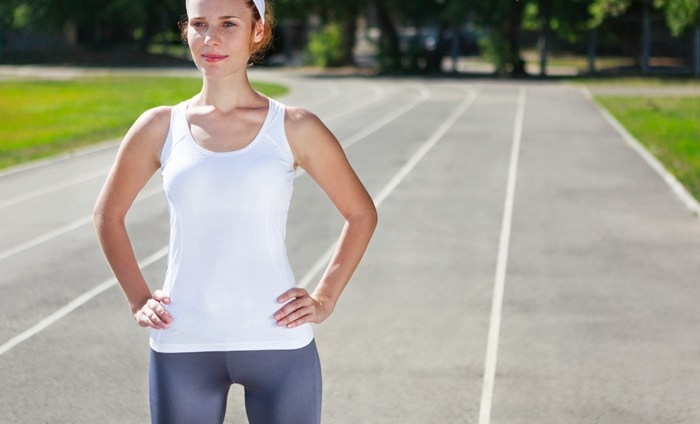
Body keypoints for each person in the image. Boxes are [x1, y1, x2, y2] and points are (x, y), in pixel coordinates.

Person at [93, 0, 377, 422]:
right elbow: (107, 215)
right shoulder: (159, 126)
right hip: (183, 341)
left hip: (277, 341)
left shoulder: (294, 126)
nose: (211, 39)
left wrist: (324, 299)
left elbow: (361, 213)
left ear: (257, 31)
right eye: (199, 24)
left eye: (228, 24)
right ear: (186, 31)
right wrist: (138, 299)